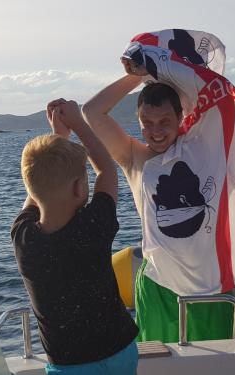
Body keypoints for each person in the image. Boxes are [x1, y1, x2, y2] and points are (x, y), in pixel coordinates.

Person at [81, 59, 233, 343]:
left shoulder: (203, 150)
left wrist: (171, 68)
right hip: (158, 286)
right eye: (147, 123)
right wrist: (138, 76)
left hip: (210, 286)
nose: (157, 131)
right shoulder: (133, 157)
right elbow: (91, 112)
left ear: (181, 117)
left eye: (165, 121)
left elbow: (221, 102)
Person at [11, 98, 139, 375]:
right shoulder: (94, 227)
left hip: (67, 366)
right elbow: (106, 169)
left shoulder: (23, 240)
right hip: (119, 353)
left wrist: (60, 139)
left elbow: (36, 195)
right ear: (81, 189)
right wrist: (77, 124)